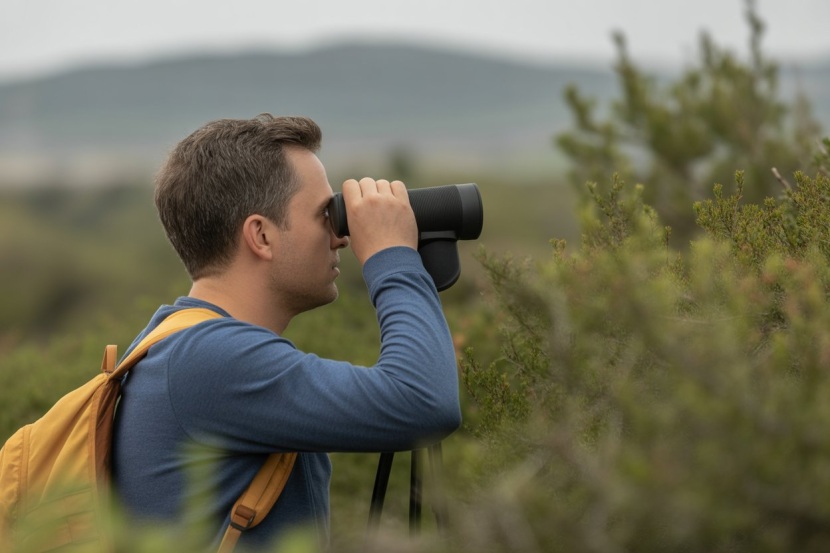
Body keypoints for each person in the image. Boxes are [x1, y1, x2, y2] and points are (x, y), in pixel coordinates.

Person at [111, 114, 461, 549]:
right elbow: (424, 402)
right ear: (261, 235)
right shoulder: (210, 358)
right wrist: (393, 257)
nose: (341, 238)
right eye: (324, 215)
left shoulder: (176, 341)